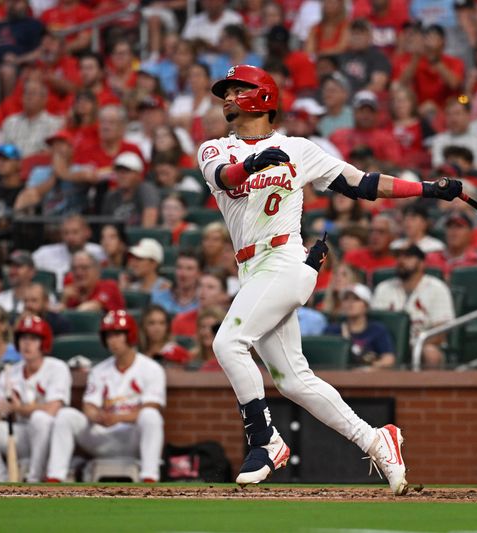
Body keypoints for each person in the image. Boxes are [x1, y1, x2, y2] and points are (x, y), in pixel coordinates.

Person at [197, 65, 463, 493]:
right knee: (293, 381)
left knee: (227, 343)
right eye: (225, 90)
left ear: (263, 96)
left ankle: (264, 440)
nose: (227, 96)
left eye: (236, 88)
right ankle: (378, 441)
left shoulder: (298, 149)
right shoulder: (215, 149)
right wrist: (250, 163)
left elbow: (363, 184)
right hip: (250, 269)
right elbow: (223, 177)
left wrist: (428, 189)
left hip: (284, 260)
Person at [46, 310, 166, 483]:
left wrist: (118, 418)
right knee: (65, 415)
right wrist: (96, 415)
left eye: (118, 334)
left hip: (131, 436)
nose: (113, 341)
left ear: (130, 335)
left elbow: (151, 407)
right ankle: (55, 477)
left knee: (151, 416)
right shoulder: (99, 370)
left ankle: (149, 477)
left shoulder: (151, 369)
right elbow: (89, 406)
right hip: (103, 436)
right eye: (109, 336)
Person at [0, 316, 71, 482]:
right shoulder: (10, 372)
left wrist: (19, 408)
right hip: (21, 434)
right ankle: (1, 478)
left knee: (40, 419)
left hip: (49, 438)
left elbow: (53, 409)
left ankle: (34, 479)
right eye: (23, 338)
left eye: (33, 338)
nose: (27, 343)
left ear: (44, 343)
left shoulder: (57, 368)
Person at [372, 245, 455, 369]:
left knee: (430, 353)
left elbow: (440, 331)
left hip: (421, 345)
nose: (401, 261)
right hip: (388, 346)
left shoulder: (437, 288)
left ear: (422, 264)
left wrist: (412, 347)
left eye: (408, 257)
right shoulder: (383, 288)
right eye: (399, 257)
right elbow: (374, 324)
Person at [324, 284, 396, 369]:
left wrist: (370, 369)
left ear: (366, 305)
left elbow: (389, 359)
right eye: (346, 299)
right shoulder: (332, 330)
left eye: (356, 299)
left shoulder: (377, 330)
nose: (350, 303)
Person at [33, 215, 106, 291]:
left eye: (75, 232)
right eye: (66, 233)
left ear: (87, 232)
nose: (70, 237)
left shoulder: (99, 252)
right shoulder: (45, 252)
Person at [101, 152, 161, 228]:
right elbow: (106, 228)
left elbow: (149, 222)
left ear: (138, 174)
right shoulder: (111, 196)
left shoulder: (146, 190)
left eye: (126, 172)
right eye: (119, 172)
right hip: (117, 238)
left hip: (140, 237)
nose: (122, 176)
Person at [171, 268, 230, 337]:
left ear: (223, 294)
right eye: (200, 285)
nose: (203, 291)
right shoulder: (180, 321)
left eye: (210, 287)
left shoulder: (231, 323)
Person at [425, 211, 477, 278]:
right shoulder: (430, 258)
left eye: (459, 226)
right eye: (450, 227)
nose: (453, 231)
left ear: (470, 233)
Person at [61, 251, 126, 312]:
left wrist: (71, 312)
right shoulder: (71, 291)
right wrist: (64, 301)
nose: (78, 273)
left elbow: (92, 306)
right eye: (74, 269)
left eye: (84, 268)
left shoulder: (109, 286)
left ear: (96, 271)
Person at [151, 249, 202, 315]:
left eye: (189, 269)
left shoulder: (204, 302)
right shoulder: (159, 298)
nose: (183, 274)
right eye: (179, 267)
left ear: (199, 274)